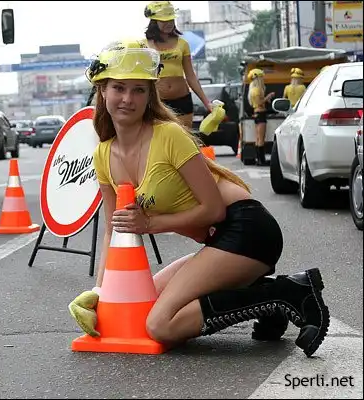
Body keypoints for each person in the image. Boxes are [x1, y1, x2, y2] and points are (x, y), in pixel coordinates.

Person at [68, 39, 330, 358]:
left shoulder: (168, 135)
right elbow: (113, 229)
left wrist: (150, 224)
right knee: (141, 307)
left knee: (160, 325)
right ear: (102, 91)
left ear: (150, 95)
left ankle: (287, 294)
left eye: (138, 90)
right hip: (216, 242)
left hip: (248, 229)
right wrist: (100, 292)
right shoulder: (103, 154)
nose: (127, 98)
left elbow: (214, 210)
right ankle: (263, 301)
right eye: (119, 88)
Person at [142, 1, 211, 130]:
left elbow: (191, 76)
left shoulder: (183, 44)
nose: (169, 23)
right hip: (157, 102)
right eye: (164, 20)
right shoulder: (143, 46)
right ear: (154, 21)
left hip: (182, 99)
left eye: (171, 19)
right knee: (159, 138)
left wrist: (207, 103)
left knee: (185, 137)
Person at [248, 68, 275, 166]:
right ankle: (261, 160)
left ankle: (259, 159)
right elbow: (259, 102)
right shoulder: (258, 90)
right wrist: (268, 97)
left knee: (258, 138)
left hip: (256, 114)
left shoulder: (252, 90)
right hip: (261, 114)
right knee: (261, 139)